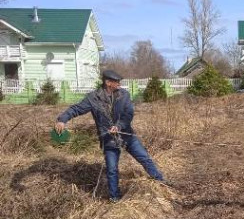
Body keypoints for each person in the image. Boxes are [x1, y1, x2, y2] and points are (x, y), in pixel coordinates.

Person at [54, 69, 165, 201]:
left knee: (144, 158)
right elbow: (76, 109)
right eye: (116, 82)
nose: (119, 84)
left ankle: (160, 181)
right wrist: (62, 119)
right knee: (112, 169)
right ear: (108, 83)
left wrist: (118, 126)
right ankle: (114, 197)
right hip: (108, 139)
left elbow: (128, 114)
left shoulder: (124, 95)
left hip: (127, 135)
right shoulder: (93, 98)